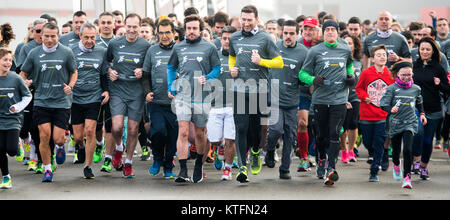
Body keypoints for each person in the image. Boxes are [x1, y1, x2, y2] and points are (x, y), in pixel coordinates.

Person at [228, 5, 284, 183]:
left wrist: (262, 61)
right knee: (241, 127)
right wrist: (232, 69)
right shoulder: (235, 37)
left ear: (257, 20)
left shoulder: (265, 38)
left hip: (258, 90)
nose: (245, 23)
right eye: (243, 19)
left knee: (254, 129)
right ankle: (242, 166)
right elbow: (231, 56)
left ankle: (255, 152)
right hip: (239, 89)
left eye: (249, 20)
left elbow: (279, 62)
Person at [298, 20, 355, 186]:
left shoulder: (345, 48)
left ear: (337, 32)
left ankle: (331, 168)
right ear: (322, 33)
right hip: (320, 99)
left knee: (334, 134)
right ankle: (321, 159)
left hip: (339, 99)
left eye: (333, 29)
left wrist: (351, 77)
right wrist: (313, 79)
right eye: (327, 30)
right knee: (321, 136)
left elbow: (350, 65)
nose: (330, 32)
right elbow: (302, 74)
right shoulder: (315, 51)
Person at [20, 22, 78, 182]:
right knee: (44, 136)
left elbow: (74, 72)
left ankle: (60, 146)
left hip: (61, 102)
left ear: (58, 36)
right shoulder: (34, 53)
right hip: (41, 101)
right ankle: (47, 169)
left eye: (53, 36)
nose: (50, 39)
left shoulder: (66, 52)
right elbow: (23, 72)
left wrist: (70, 86)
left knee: (58, 138)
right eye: (46, 36)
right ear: (41, 36)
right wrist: (25, 81)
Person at [168, 14, 221, 183]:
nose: (191, 32)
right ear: (185, 29)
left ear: (200, 30)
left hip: (202, 97)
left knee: (200, 133)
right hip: (183, 95)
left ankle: (199, 164)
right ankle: (183, 170)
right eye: (189, 29)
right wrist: (171, 86)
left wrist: (208, 77)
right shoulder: (178, 47)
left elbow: (217, 68)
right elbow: (171, 68)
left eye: (195, 29)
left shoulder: (209, 47)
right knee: (182, 130)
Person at [106, 13, 151, 178]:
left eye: (135, 27)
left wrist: (143, 71)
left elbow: (149, 67)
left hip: (136, 92)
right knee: (116, 127)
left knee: (133, 130)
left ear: (139, 27)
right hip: (118, 89)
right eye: (129, 27)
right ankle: (118, 147)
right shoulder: (115, 43)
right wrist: (110, 71)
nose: (132, 30)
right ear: (124, 26)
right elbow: (106, 62)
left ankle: (129, 162)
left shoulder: (146, 46)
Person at [265, 20, 307, 179]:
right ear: (282, 33)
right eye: (286, 33)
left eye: (292, 33)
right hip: (274, 98)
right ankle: (270, 150)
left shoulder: (304, 52)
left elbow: (306, 73)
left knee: (290, 134)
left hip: (292, 100)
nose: (288, 36)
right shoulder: (273, 47)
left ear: (298, 34)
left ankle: (285, 169)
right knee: (275, 129)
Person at [70, 23, 110, 179]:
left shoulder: (102, 51)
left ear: (97, 35)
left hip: (94, 97)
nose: (89, 40)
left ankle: (87, 166)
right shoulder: (71, 51)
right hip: (75, 98)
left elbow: (104, 74)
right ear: (80, 36)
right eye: (86, 37)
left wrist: (106, 90)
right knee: (78, 136)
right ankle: (80, 146)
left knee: (90, 130)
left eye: (92, 37)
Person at [380, 61, 427, 189]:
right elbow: (383, 104)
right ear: (397, 74)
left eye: (409, 75)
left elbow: (419, 102)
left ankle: (407, 178)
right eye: (403, 75)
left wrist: (422, 114)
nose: (406, 77)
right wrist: (391, 109)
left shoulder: (416, 89)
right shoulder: (391, 89)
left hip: (410, 123)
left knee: (407, 150)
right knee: (396, 151)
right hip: (395, 123)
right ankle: (396, 164)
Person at [142, 19, 178, 179]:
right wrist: (147, 92)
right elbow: (145, 75)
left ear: (174, 33)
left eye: (167, 32)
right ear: (157, 34)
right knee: (158, 133)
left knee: (172, 137)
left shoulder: (180, 50)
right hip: (156, 102)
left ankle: (168, 166)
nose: (164, 36)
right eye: (161, 33)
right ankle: (157, 159)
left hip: (176, 104)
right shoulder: (152, 50)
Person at [412, 37, 450, 180]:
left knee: (428, 140)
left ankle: (423, 167)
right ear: (419, 51)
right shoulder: (414, 66)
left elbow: (448, 89)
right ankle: (416, 160)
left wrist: (440, 84)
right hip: (415, 108)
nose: (425, 51)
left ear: (433, 51)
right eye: (422, 49)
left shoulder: (438, 68)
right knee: (418, 133)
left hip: (433, 110)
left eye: (428, 49)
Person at [356, 44, 394, 181]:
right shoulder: (366, 73)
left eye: (384, 55)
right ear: (372, 59)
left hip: (382, 115)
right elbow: (358, 88)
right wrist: (364, 97)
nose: (382, 57)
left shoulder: (390, 74)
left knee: (379, 141)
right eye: (379, 55)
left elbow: (394, 91)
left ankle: (374, 170)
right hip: (366, 114)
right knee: (368, 142)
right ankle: (381, 152)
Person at [205, 26, 238, 180]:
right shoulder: (214, 56)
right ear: (220, 39)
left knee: (231, 139)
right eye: (224, 38)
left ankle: (228, 169)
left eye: (230, 39)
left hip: (234, 105)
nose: (227, 41)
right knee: (215, 140)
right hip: (214, 105)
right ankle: (220, 147)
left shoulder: (239, 58)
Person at [0, 48, 32, 189]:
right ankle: (6, 177)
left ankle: (18, 143)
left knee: (12, 150)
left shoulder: (16, 78)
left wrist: (17, 107)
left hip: (13, 119)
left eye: (10, 60)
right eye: (5, 60)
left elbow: (28, 96)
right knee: (0, 149)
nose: (8, 63)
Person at [296, 17, 319, 172]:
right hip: (302, 91)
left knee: (318, 126)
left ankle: (313, 154)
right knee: (303, 123)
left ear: (317, 30)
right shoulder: (297, 45)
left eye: (311, 29)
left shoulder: (323, 46)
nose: (308, 31)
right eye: (306, 28)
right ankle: (304, 158)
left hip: (320, 92)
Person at [94, 12, 116, 168]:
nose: (107, 25)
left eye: (109, 22)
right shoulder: (93, 42)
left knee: (110, 125)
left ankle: (108, 157)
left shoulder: (119, 42)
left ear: (114, 24)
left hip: (116, 89)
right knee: (95, 125)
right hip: (95, 89)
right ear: (99, 25)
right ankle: (99, 143)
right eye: (104, 22)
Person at [340, 33, 363, 164]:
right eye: (345, 42)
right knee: (342, 125)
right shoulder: (338, 58)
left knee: (353, 123)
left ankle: (351, 151)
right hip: (341, 96)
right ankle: (343, 151)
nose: (348, 45)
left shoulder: (359, 61)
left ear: (355, 46)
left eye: (350, 43)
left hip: (355, 96)